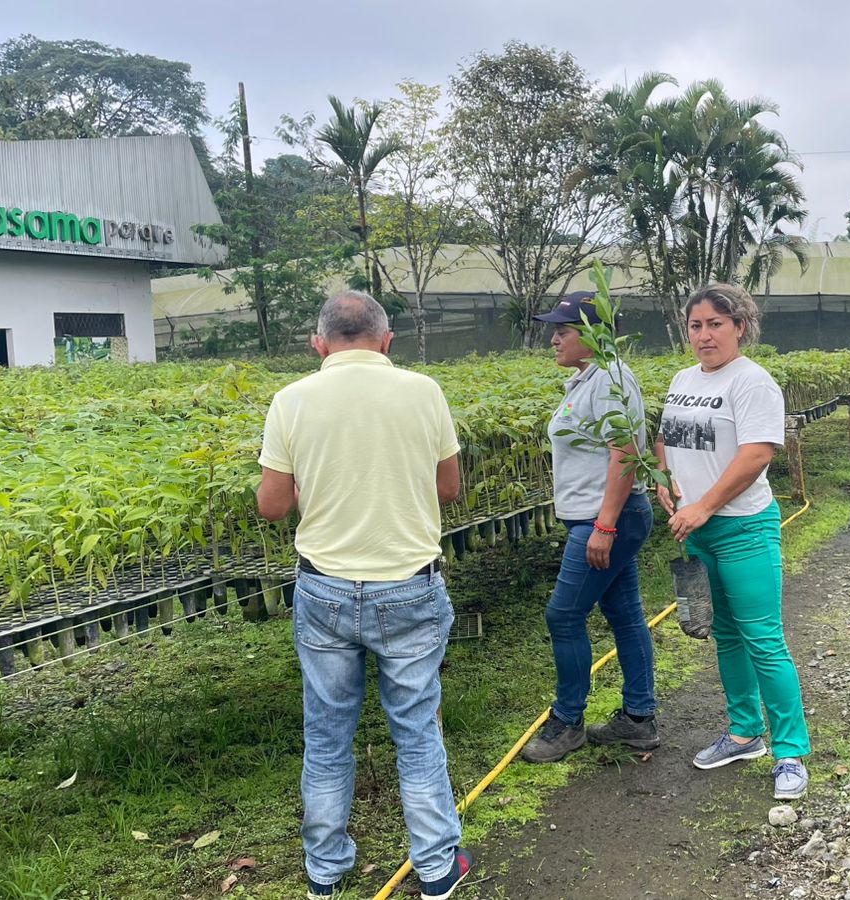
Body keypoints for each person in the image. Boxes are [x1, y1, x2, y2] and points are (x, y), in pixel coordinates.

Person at [256, 291, 473, 900]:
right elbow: (449, 489)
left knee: (327, 736)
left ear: (318, 344)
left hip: (324, 589)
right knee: (417, 731)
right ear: (387, 340)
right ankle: (436, 869)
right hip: (408, 588)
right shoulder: (424, 391)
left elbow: (272, 506)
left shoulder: (291, 399)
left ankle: (325, 872)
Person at [655, 283, 811, 801]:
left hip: (743, 528)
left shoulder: (752, 382)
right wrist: (663, 479)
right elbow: (666, 437)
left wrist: (704, 505)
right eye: (695, 326)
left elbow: (757, 454)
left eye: (715, 324)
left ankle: (791, 752)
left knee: (763, 638)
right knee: (725, 634)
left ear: (740, 327)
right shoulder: (683, 379)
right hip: (698, 531)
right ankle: (745, 733)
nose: (704, 335)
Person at [520, 291, 660, 763]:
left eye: (563, 330)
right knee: (624, 614)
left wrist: (604, 525)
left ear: (595, 335)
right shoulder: (589, 379)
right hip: (600, 517)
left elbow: (625, 453)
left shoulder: (610, 379)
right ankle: (639, 719)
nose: (554, 338)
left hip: (607, 519)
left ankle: (567, 722)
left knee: (563, 616)